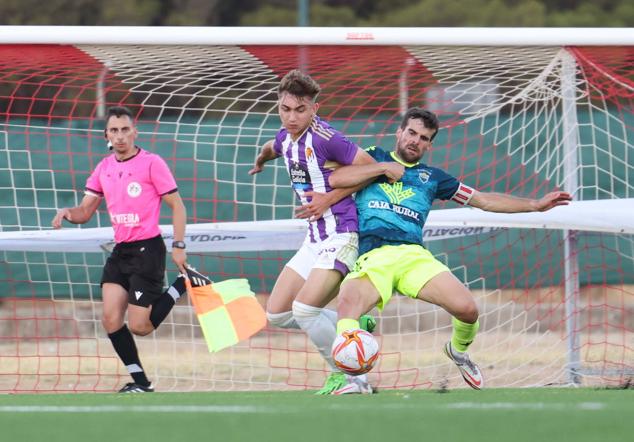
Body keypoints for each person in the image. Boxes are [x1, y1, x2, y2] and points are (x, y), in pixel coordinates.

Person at [327, 107, 572, 389]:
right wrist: (379, 169)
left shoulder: (433, 178)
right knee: (347, 305)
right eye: (411, 133)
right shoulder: (373, 156)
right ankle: (354, 380)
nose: (415, 141)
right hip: (373, 256)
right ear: (399, 132)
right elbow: (336, 177)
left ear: (430, 145)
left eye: (423, 138)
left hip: (413, 257)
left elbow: (484, 200)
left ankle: (458, 350)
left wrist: (534, 205)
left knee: (467, 310)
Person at [249, 70, 381, 395]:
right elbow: (271, 146)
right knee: (277, 314)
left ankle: (350, 376)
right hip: (314, 239)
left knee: (305, 310)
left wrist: (329, 199)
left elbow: (372, 169)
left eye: (300, 110)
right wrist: (261, 160)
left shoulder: (327, 139)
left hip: (342, 234)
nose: (292, 117)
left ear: (314, 109)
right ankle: (348, 325)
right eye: (285, 109)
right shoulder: (284, 137)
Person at [51, 105, 198, 393]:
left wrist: (178, 246)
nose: (120, 136)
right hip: (121, 252)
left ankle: (183, 283)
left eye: (125, 130)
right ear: (106, 135)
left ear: (134, 132)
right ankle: (141, 382)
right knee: (109, 319)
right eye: (114, 131)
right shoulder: (103, 168)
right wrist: (67, 212)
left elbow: (178, 206)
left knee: (140, 327)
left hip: (148, 251)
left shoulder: (152, 163)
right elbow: (84, 212)